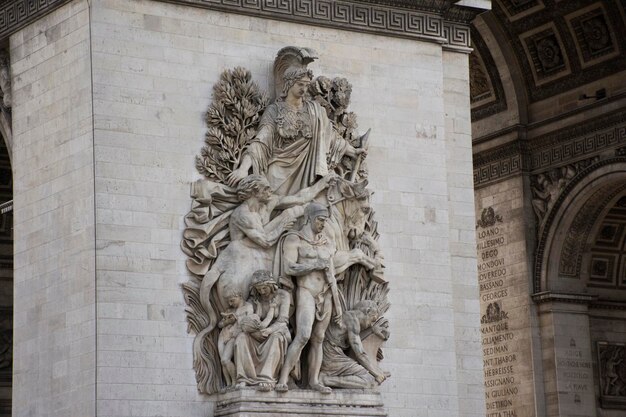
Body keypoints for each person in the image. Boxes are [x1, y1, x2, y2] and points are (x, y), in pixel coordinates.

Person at [226, 66, 365, 195]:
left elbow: (331, 136)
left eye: (306, 85)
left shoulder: (315, 110)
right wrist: (243, 169)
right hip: (279, 169)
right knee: (272, 200)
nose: (304, 89)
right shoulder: (274, 110)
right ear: (289, 84)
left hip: (309, 169)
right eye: (300, 84)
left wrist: (353, 152)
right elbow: (261, 141)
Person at [233, 270, 292, 391]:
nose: (262, 292)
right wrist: (255, 332)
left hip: (276, 330)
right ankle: (245, 378)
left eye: (264, 288)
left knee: (276, 338)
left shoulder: (283, 295)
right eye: (259, 289)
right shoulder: (254, 299)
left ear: (271, 285)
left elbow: (283, 321)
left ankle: (267, 378)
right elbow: (248, 319)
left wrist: (268, 330)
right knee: (241, 338)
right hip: (257, 332)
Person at [319, 300, 387, 389]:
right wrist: (376, 373)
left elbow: (355, 338)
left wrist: (372, 330)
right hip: (331, 356)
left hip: (330, 354)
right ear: (367, 311)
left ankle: (326, 378)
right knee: (368, 380)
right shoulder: (353, 320)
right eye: (372, 319)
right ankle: (325, 379)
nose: (371, 324)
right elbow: (360, 354)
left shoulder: (348, 317)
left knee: (368, 379)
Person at [217, 290, 253, 387]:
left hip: (237, 337)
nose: (230, 303)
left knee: (225, 360)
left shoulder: (248, 307)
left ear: (239, 296)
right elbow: (220, 324)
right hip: (225, 336)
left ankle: (234, 381)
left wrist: (237, 319)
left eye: (232, 300)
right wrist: (227, 321)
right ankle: (229, 384)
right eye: (229, 301)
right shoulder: (230, 310)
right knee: (223, 362)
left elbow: (249, 322)